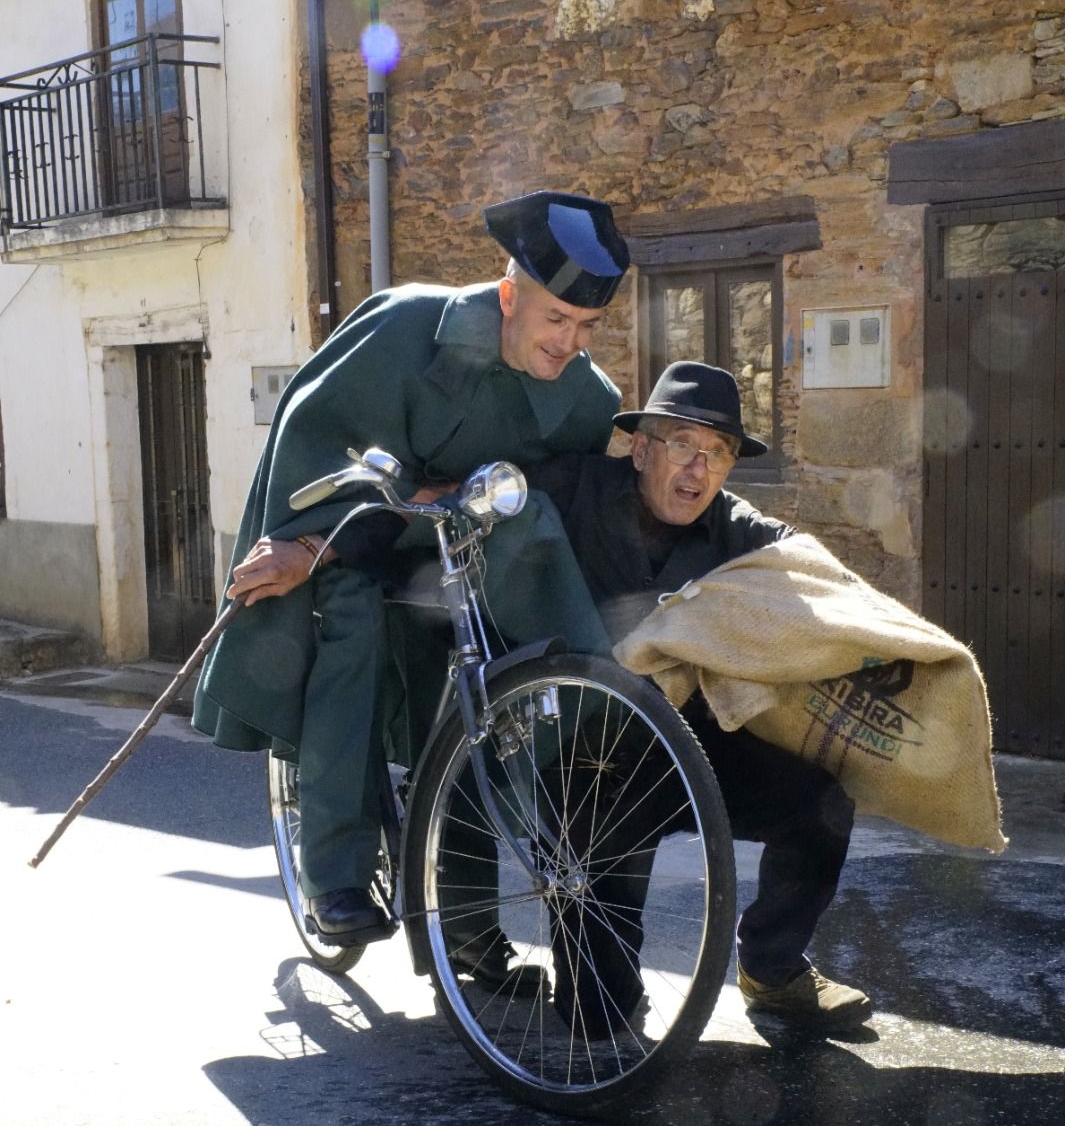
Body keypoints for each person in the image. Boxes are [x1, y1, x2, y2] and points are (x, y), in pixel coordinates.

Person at [193, 191, 629, 965]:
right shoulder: (402, 329)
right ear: (508, 297)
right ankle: (334, 873)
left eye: (586, 326)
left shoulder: (579, 391)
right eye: (554, 320)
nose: (568, 342)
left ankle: (472, 915)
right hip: (347, 536)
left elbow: (591, 471)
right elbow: (313, 442)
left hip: (456, 550)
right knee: (350, 631)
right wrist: (310, 548)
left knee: (470, 688)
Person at [525, 360, 873, 1028]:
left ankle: (771, 968)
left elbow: (800, 561)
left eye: (717, 454)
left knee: (820, 796)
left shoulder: (731, 525)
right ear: (640, 447)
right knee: (595, 1018)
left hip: (688, 743)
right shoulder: (571, 488)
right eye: (682, 445)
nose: (697, 470)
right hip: (583, 749)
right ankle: (600, 994)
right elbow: (485, 501)